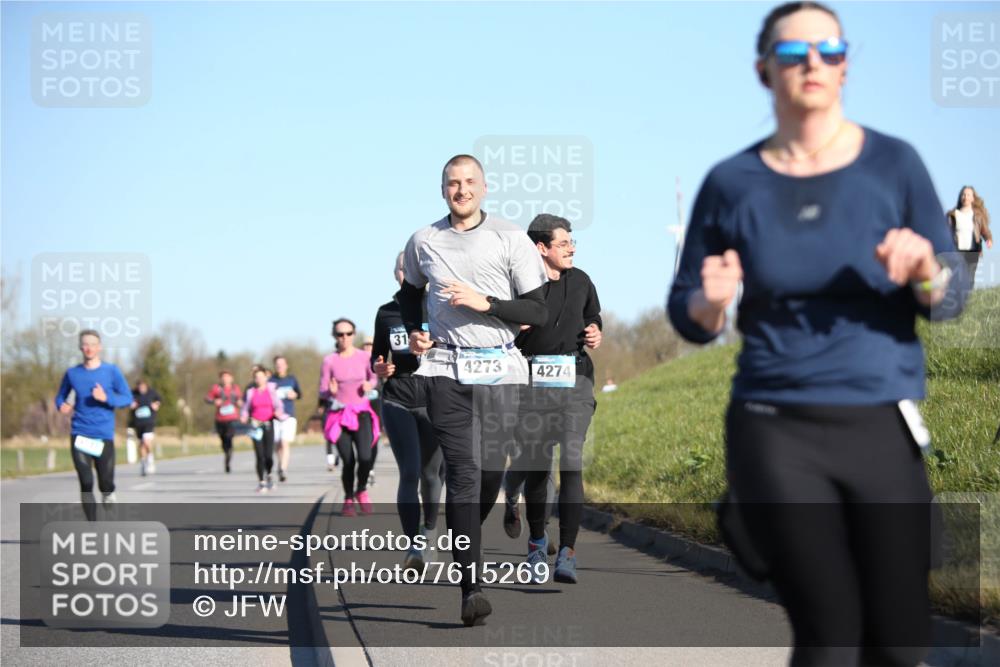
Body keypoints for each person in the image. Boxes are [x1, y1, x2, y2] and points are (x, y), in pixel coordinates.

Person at [667, 3, 968, 664]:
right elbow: (686, 306)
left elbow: (948, 296)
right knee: (830, 632)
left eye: (829, 50)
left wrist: (925, 273)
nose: (813, 63)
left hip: (881, 424)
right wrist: (713, 304)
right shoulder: (731, 183)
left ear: (845, 65)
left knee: (899, 640)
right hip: (775, 424)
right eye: (794, 51)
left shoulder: (894, 164)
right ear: (763, 69)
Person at [400, 154, 548, 626]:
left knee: (489, 473)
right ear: (442, 189)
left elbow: (539, 311)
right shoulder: (423, 240)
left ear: (484, 187)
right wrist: (416, 331)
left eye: (468, 182)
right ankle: (471, 588)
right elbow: (409, 295)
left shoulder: (509, 237)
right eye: (451, 183)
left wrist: (487, 303)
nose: (460, 190)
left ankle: (465, 532)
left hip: (501, 368)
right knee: (463, 474)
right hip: (445, 367)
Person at [503, 214, 603, 584]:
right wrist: (515, 326)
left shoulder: (581, 281)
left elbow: (593, 318)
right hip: (531, 386)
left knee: (572, 462)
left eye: (572, 241)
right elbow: (498, 332)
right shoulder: (520, 287)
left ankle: (568, 552)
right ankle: (536, 543)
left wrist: (595, 332)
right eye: (563, 243)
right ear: (541, 248)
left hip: (576, 381)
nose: (571, 248)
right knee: (536, 466)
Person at [372, 252, 446, 571]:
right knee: (410, 472)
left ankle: (429, 532)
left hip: (434, 399)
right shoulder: (387, 313)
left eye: (414, 269)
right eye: (404, 269)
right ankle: (413, 548)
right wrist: (380, 366)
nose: (408, 273)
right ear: (396, 274)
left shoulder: (439, 308)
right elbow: (377, 355)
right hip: (397, 397)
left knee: (431, 474)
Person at [54, 330, 133, 520]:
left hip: (103, 435)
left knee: (105, 483)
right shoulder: (73, 373)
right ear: (81, 347)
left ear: (99, 347)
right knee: (86, 481)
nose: (88, 347)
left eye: (92, 344)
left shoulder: (111, 371)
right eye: (85, 344)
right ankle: (92, 526)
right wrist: (61, 405)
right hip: (80, 433)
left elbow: (127, 398)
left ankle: (109, 493)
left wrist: (106, 398)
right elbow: (60, 396)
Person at [320, 318, 380, 515]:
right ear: (335, 337)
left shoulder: (364, 357)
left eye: (348, 333)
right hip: (339, 415)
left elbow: (374, 377)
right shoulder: (330, 361)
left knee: (365, 457)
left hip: (361, 413)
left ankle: (361, 490)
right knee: (348, 461)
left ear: (354, 335)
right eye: (340, 334)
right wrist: (331, 391)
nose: (344, 337)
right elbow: (322, 391)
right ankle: (347, 498)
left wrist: (369, 385)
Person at [241, 366, 286, 493]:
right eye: (257, 377)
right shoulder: (251, 392)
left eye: (262, 377)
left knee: (268, 455)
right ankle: (261, 482)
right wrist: (244, 416)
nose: (259, 379)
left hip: (268, 424)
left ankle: (270, 474)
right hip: (255, 426)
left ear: (266, 377)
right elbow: (245, 408)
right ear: (254, 379)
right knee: (259, 455)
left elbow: (279, 405)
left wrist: (278, 412)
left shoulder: (271, 390)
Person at [946, 185, 992, 288]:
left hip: (973, 250)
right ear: (960, 197)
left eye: (968, 195)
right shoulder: (953, 215)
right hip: (957, 249)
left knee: (970, 276)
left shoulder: (977, 216)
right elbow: (947, 230)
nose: (965, 197)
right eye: (963, 194)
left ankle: (969, 294)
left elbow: (984, 230)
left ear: (973, 198)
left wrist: (988, 239)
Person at [271, 355, 302, 482]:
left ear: (286, 365)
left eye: (282, 364)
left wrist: (294, 395)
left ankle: (283, 468)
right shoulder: (270, 381)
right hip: (274, 416)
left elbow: (299, 394)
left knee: (284, 442)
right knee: (277, 443)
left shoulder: (292, 379)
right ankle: (280, 463)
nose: (279, 366)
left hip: (289, 415)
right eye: (277, 364)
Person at [205, 370, 242, 473]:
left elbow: (241, 400)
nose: (225, 379)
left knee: (229, 438)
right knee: (223, 442)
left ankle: (228, 461)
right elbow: (207, 398)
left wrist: (239, 403)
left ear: (231, 378)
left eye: (227, 377)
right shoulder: (216, 388)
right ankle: (226, 452)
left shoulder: (235, 389)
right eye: (223, 377)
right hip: (220, 419)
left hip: (232, 419)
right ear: (221, 379)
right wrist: (214, 401)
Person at [129, 379, 162, 476]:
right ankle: (143, 463)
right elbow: (126, 400)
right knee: (141, 444)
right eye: (139, 387)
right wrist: (130, 404)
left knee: (146, 441)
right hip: (138, 423)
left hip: (149, 422)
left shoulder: (152, 393)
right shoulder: (133, 393)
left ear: (146, 386)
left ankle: (150, 459)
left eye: (143, 387)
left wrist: (156, 404)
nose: (141, 389)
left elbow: (159, 399)